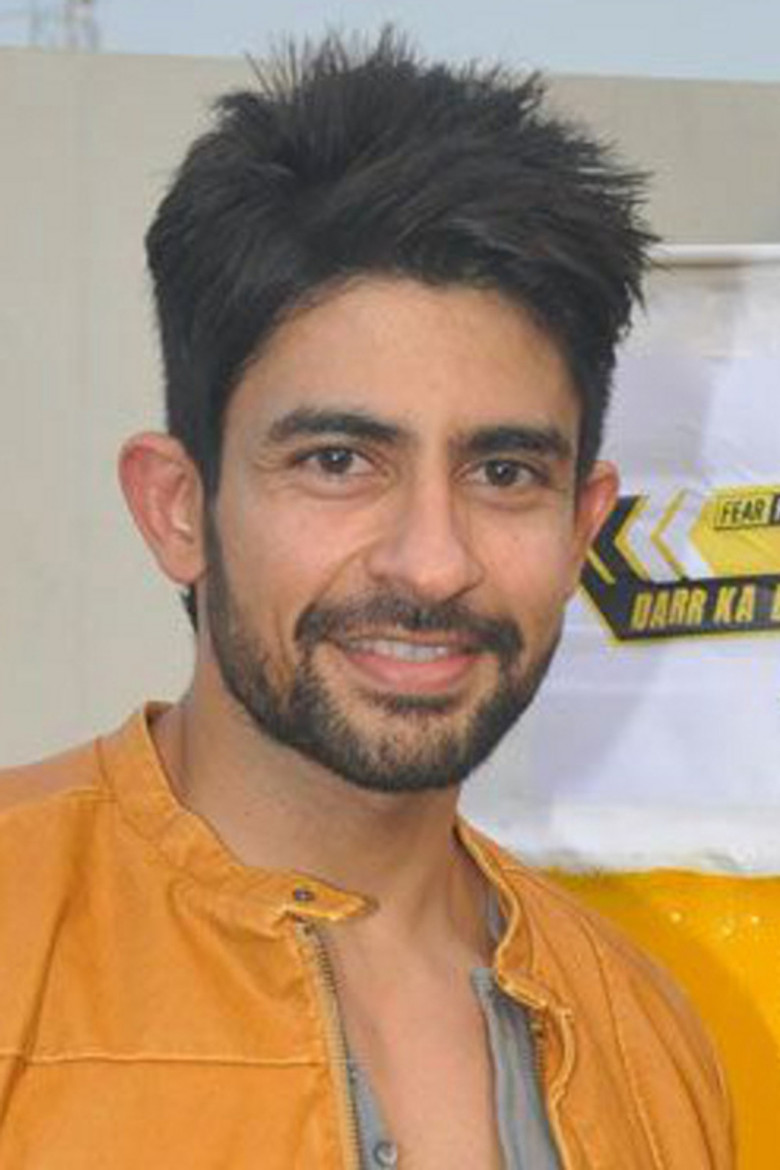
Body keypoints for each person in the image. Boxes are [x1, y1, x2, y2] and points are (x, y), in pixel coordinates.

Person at [0, 30, 732, 1170]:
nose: (432, 564)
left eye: (504, 472)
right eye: (339, 461)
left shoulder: (649, 1045)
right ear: (177, 507)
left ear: (583, 528)